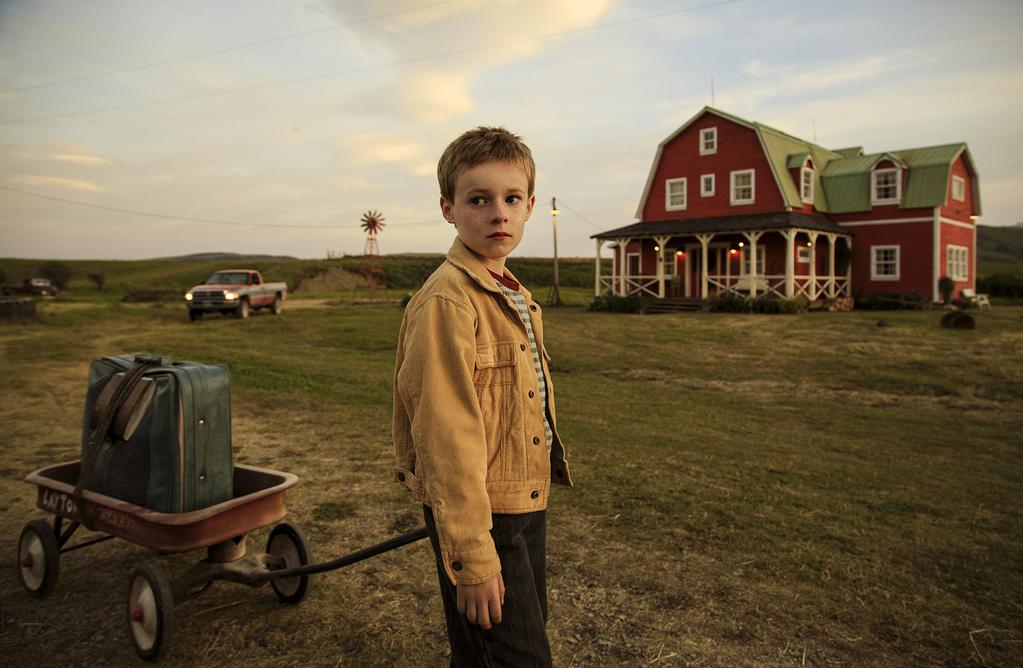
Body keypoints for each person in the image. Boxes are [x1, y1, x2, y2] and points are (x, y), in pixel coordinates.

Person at [392, 126, 573, 667]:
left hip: (523, 500)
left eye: (512, 198)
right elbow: (445, 436)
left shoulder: (510, 292)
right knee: (515, 655)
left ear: (530, 206)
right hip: (482, 511)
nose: (499, 214)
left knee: (493, 648)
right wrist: (472, 557)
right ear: (448, 208)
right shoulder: (447, 302)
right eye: (479, 200)